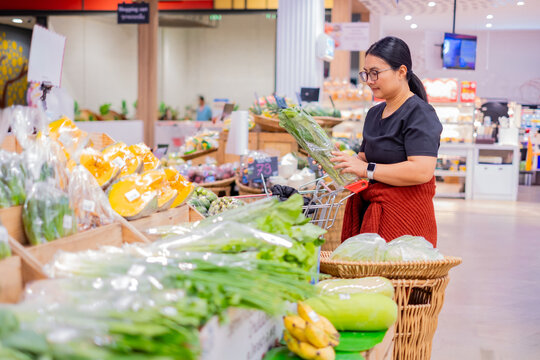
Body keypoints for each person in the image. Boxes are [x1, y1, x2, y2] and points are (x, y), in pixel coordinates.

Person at [331, 36, 443, 246]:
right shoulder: (374, 114)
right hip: (371, 216)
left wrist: (366, 169)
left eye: (375, 73)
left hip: (406, 224)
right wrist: (338, 164)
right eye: (366, 73)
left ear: (401, 72)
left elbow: (421, 171)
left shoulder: (420, 113)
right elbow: (361, 161)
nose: (369, 80)